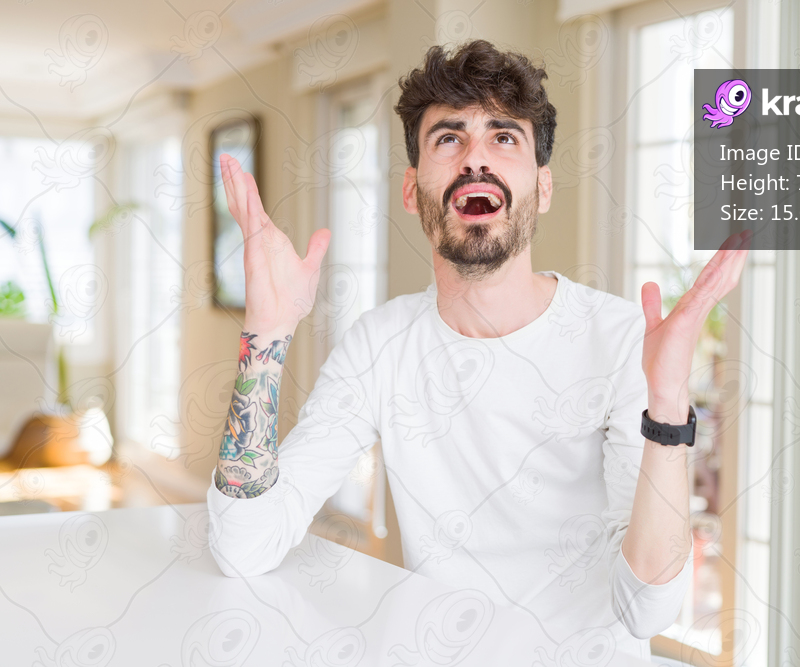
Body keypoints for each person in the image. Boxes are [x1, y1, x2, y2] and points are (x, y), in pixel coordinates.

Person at [206, 39, 750, 661]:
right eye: (448, 138)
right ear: (413, 191)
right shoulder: (380, 345)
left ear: (541, 188)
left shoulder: (623, 340)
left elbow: (647, 609)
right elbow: (242, 546)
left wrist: (669, 404)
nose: (475, 159)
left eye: (504, 137)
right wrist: (267, 334)